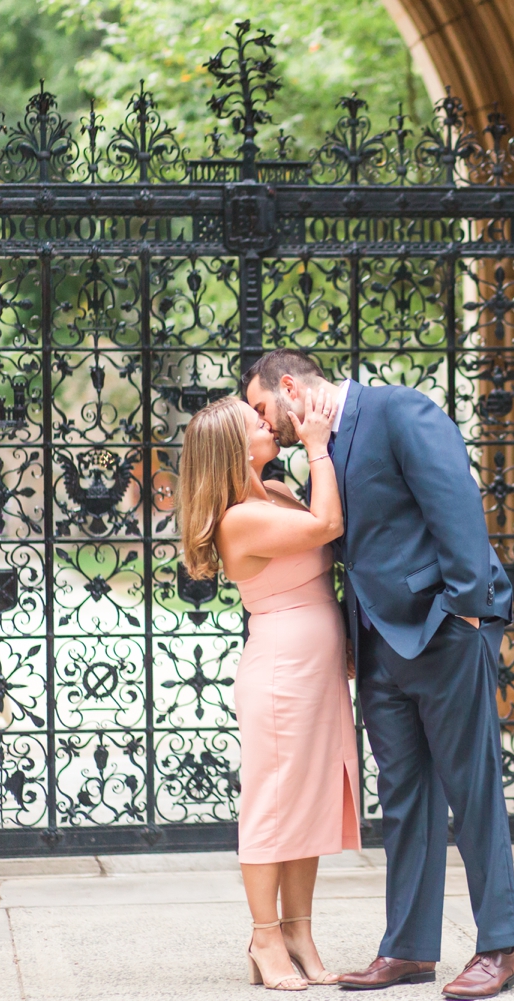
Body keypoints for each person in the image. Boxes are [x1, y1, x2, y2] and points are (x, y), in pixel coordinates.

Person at [244, 349, 514, 1000]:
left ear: (288, 386)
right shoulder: (320, 449)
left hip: (445, 634)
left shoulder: (400, 411)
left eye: (262, 408)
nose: (267, 423)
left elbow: (457, 509)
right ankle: (408, 947)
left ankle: (499, 947)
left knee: (472, 791)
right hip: (378, 649)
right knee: (405, 802)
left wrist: (467, 614)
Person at [177, 390, 359, 992]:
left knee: (304, 805)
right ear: (233, 445)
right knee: (271, 809)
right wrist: (318, 449)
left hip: (315, 670)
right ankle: (263, 937)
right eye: (255, 420)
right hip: (282, 674)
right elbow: (328, 524)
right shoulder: (239, 516)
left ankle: (299, 932)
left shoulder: (275, 494)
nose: (267, 421)